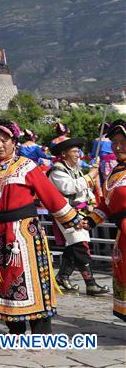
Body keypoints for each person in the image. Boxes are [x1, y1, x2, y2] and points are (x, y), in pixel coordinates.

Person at [0, 120, 82, 335]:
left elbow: (50, 195)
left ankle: (41, 331)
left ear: (14, 142)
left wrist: (72, 219)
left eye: (3, 140)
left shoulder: (26, 166)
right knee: (5, 281)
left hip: (25, 234)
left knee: (32, 279)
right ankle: (14, 328)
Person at [47, 136, 108, 295]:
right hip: (65, 213)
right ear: (64, 153)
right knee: (81, 245)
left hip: (80, 213)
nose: (78, 154)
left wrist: (92, 200)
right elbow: (70, 187)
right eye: (74, 151)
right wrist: (91, 175)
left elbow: (85, 190)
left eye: (78, 151)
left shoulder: (76, 170)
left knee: (75, 245)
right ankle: (91, 283)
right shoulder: (57, 171)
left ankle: (62, 277)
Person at [84, 119, 126, 321]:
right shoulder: (113, 173)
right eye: (115, 143)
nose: (118, 147)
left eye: (123, 142)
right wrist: (89, 221)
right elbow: (106, 206)